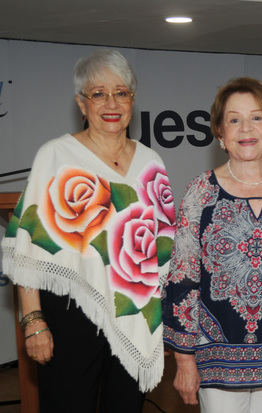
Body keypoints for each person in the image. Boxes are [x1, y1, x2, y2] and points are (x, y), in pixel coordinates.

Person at [1, 49, 176, 412]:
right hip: (71, 315)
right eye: (98, 94)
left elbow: (162, 247)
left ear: (132, 100)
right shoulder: (56, 157)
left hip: (133, 311)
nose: (111, 103)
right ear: (82, 104)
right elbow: (27, 250)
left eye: (121, 93)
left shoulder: (151, 162)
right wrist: (33, 321)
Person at [162, 77, 262, 413]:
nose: (245, 129)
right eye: (234, 119)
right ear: (220, 133)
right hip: (217, 358)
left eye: (256, 117)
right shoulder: (200, 192)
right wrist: (183, 359)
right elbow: (183, 277)